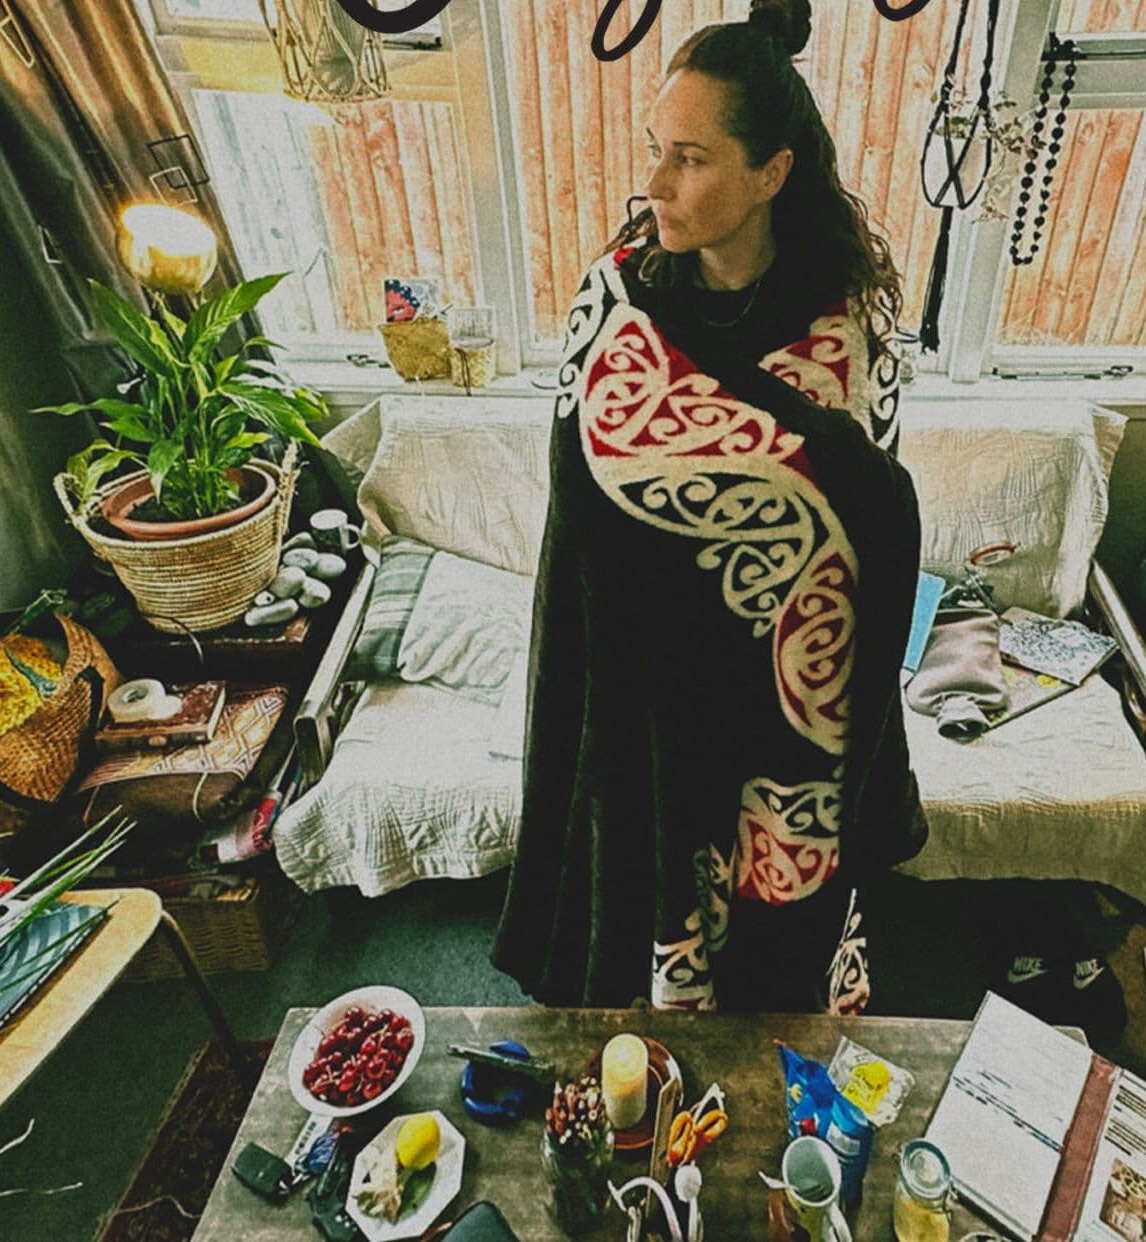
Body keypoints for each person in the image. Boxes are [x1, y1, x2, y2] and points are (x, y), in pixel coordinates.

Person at [491, 0, 926, 1015]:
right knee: (631, 993)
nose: (654, 184)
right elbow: (580, 514)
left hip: (774, 702)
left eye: (689, 159)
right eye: (657, 149)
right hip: (637, 691)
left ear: (770, 174)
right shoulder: (615, 306)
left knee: (769, 995)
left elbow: (858, 533)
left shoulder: (840, 334)